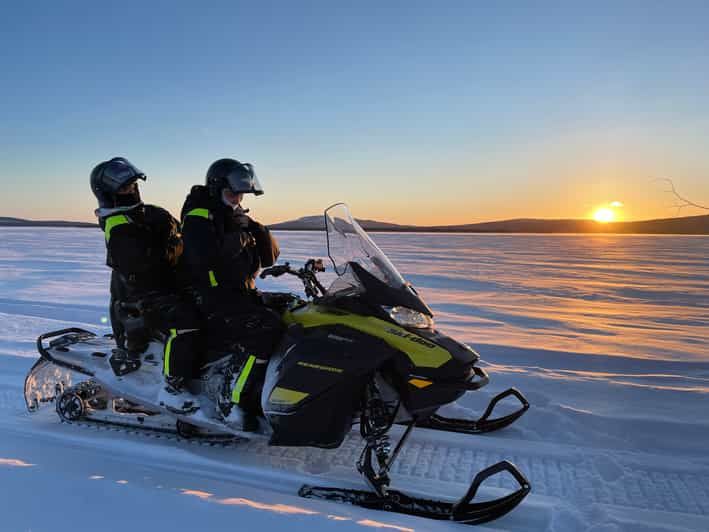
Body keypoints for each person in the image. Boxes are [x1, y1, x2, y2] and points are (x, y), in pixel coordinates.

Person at [90, 157, 201, 413]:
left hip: (162, 287)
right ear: (108, 193)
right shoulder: (118, 226)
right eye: (124, 188)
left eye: (132, 186)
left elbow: (186, 239)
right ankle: (173, 388)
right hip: (142, 297)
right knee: (185, 322)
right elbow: (146, 267)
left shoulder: (147, 213)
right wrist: (170, 243)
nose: (132, 191)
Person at [179, 158, 283, 426]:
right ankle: (233, 400)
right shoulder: (198, 217)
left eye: (240, 194)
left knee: (291, 315)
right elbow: (205, 257)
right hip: (210, 297)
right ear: (216, 189)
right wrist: (239, 236)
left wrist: (259, 231)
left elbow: (269, 257)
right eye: (231, 193)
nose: (237, 199)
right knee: (265, 331)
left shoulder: (233, 216)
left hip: (237, 292)